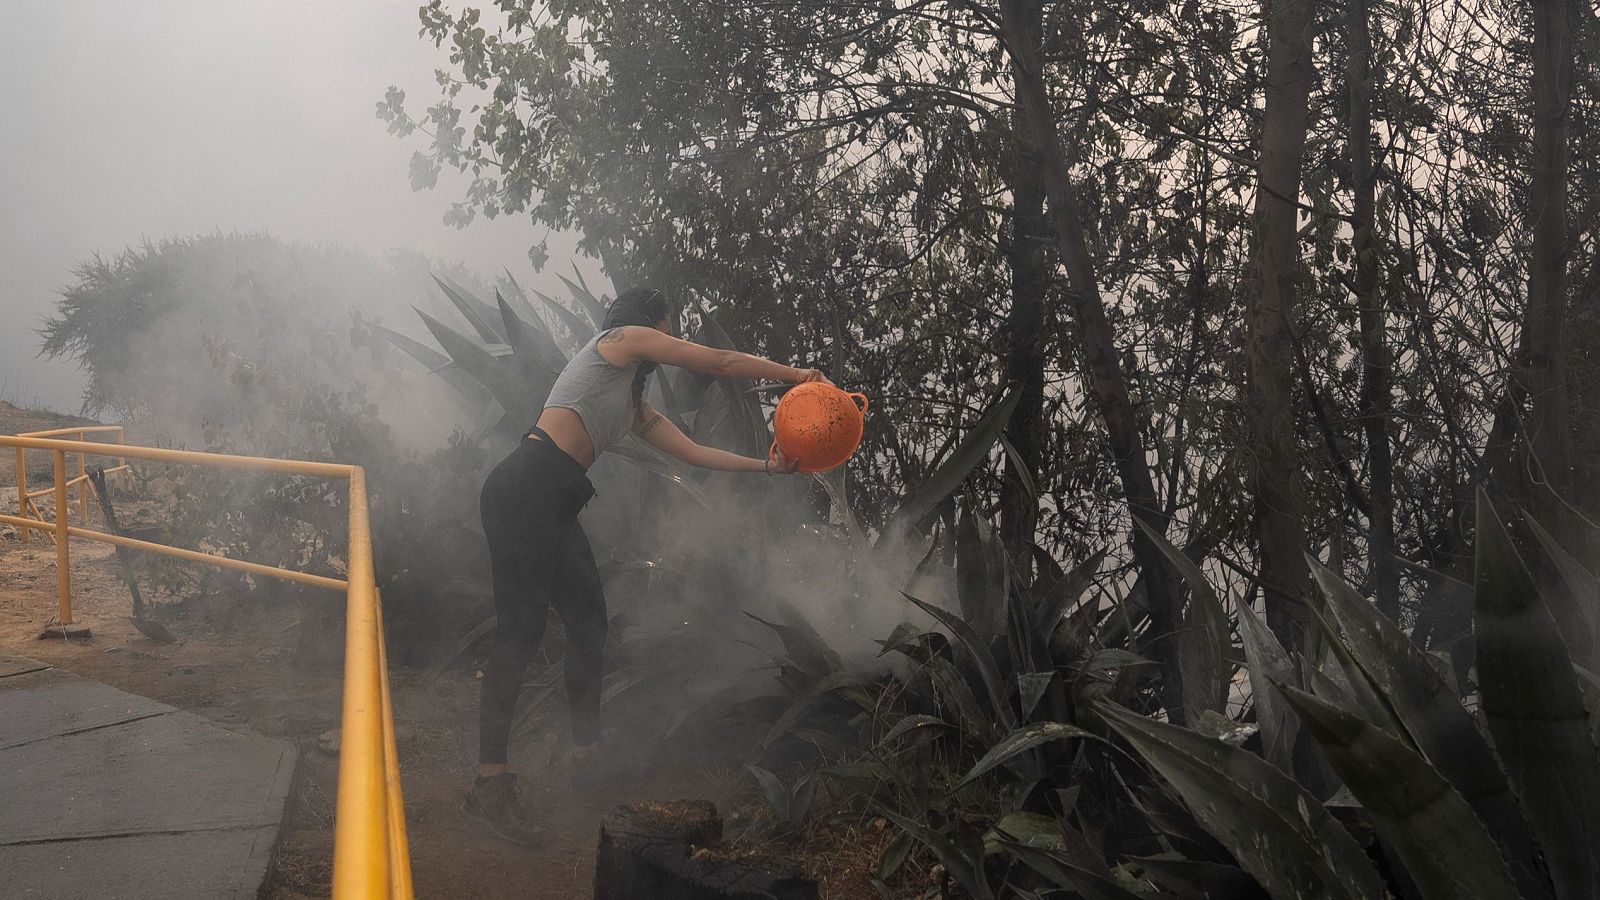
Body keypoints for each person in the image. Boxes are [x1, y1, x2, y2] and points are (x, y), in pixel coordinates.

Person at [464, 287, 832, 845]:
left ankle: (586, 758)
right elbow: (721, 360)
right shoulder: (616, 341)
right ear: (648, 322)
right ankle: (490, 786)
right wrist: (799, 375)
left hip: (555, 501)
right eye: (668, 324)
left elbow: (692, 452)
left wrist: (769, 467)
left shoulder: (630, 404)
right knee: (520, 634)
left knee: (589, 624)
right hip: (524, 490)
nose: (668, 335)